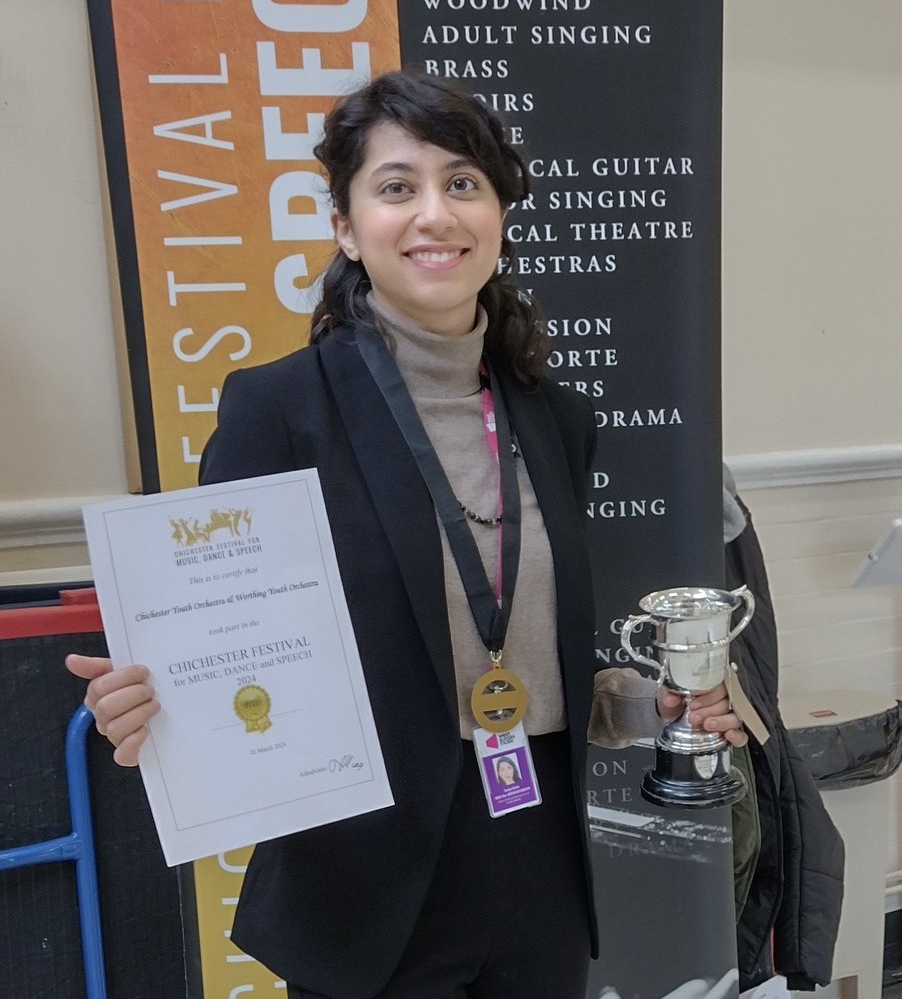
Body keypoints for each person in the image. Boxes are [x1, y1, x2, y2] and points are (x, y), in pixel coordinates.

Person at [67, 71, 746, 999]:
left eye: (464, 183)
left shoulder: (554, 418)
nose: (435, 214)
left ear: (499, 212)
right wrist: (159, 699)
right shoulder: (280, 410)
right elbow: (226, 636)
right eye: (397, 187)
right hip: (369, 881)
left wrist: (649, 706)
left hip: (538, 860)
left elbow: (521, 646)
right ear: (346, 227)